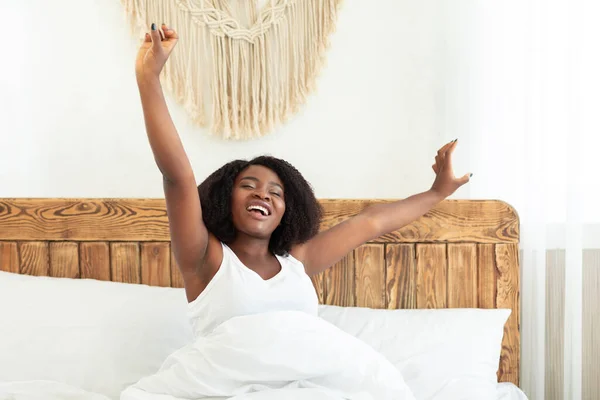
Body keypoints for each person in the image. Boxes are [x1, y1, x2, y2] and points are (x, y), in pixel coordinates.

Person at [135, 23, 471, 331]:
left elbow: (371, 222)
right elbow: (177, 176)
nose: (262, 195)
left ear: (287, 211)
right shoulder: (205, 258)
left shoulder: (298, 261)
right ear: (225, 199)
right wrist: (148, 77)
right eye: (248, 186)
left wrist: (436, 193)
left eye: (275, 192)